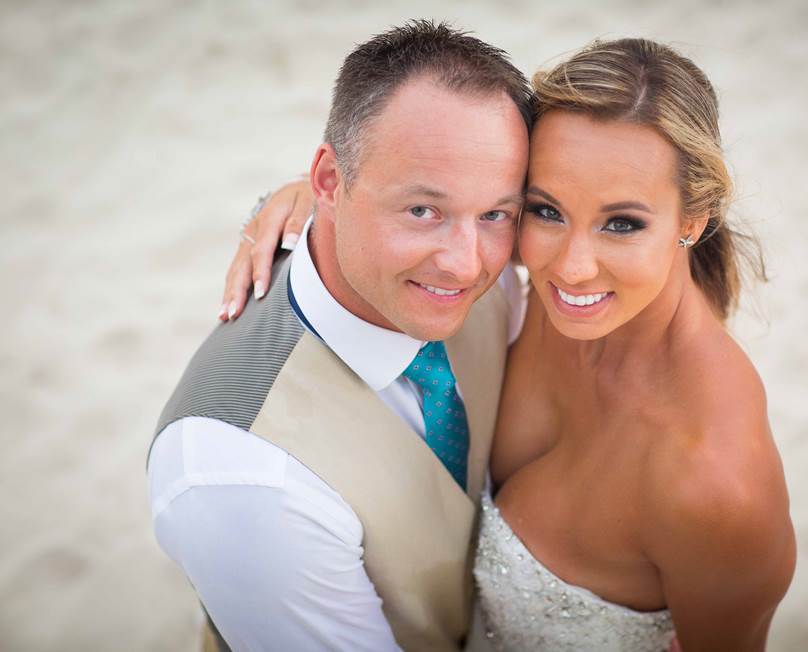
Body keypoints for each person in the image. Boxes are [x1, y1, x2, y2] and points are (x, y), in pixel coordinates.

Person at [231, 36, 797, 652]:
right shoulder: (548, 292)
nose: (572, 268)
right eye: (546, 210)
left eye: (623, 224)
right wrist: (311, 200)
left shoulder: (716, 487)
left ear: (694, 218)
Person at [147, 21, 532, 652]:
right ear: (329, 181)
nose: (467, 265)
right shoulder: (240, 477)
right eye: (422, 210)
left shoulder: (500, 276)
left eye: (495, 213)